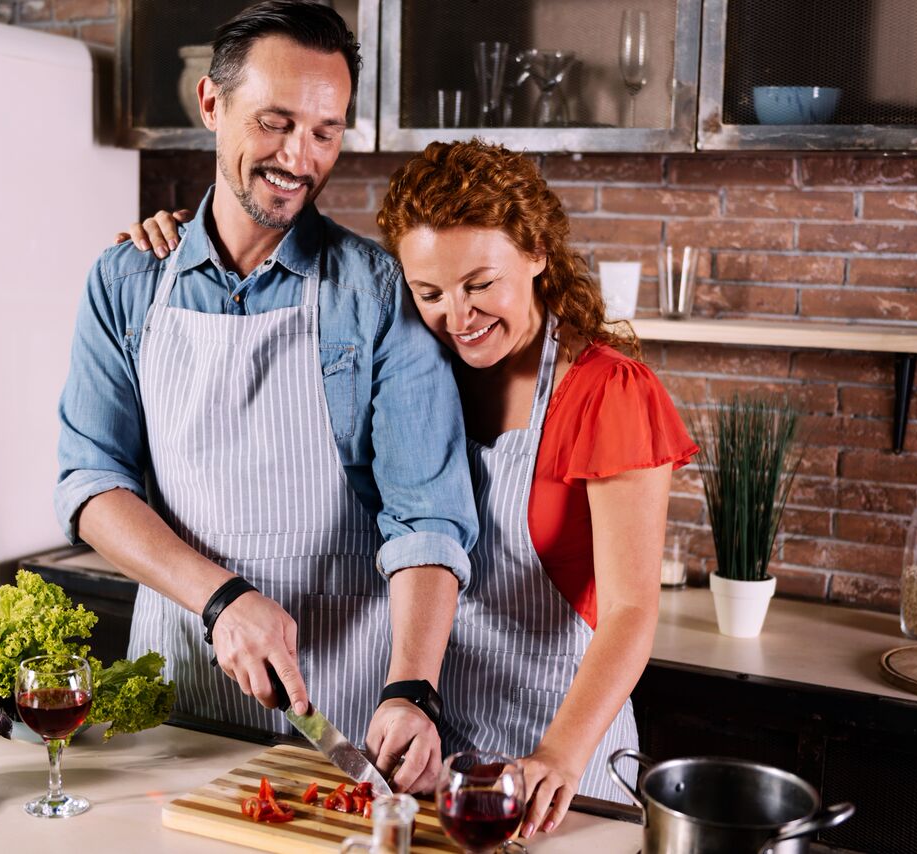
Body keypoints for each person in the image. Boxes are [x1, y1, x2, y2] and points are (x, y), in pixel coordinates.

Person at [124, 140, 697, 836]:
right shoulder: (425, 366)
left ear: (538, 252)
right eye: (430, 293)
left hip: (557, 761)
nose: (459, 316)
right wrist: (192, 238)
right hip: (437, 754)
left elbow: (634, 610)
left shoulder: (607, 390)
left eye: (480, 283)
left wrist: (559, 754)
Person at [57, 0, 477, 794]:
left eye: (326, 131)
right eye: (276, 122)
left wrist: (412, 688)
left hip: (343, 716)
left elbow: (429, 517)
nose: (299, 157)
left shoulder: (377, 292)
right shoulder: (126, 280)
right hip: (173, 704)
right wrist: (222, 601)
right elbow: (90, 484)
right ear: (211, 104)